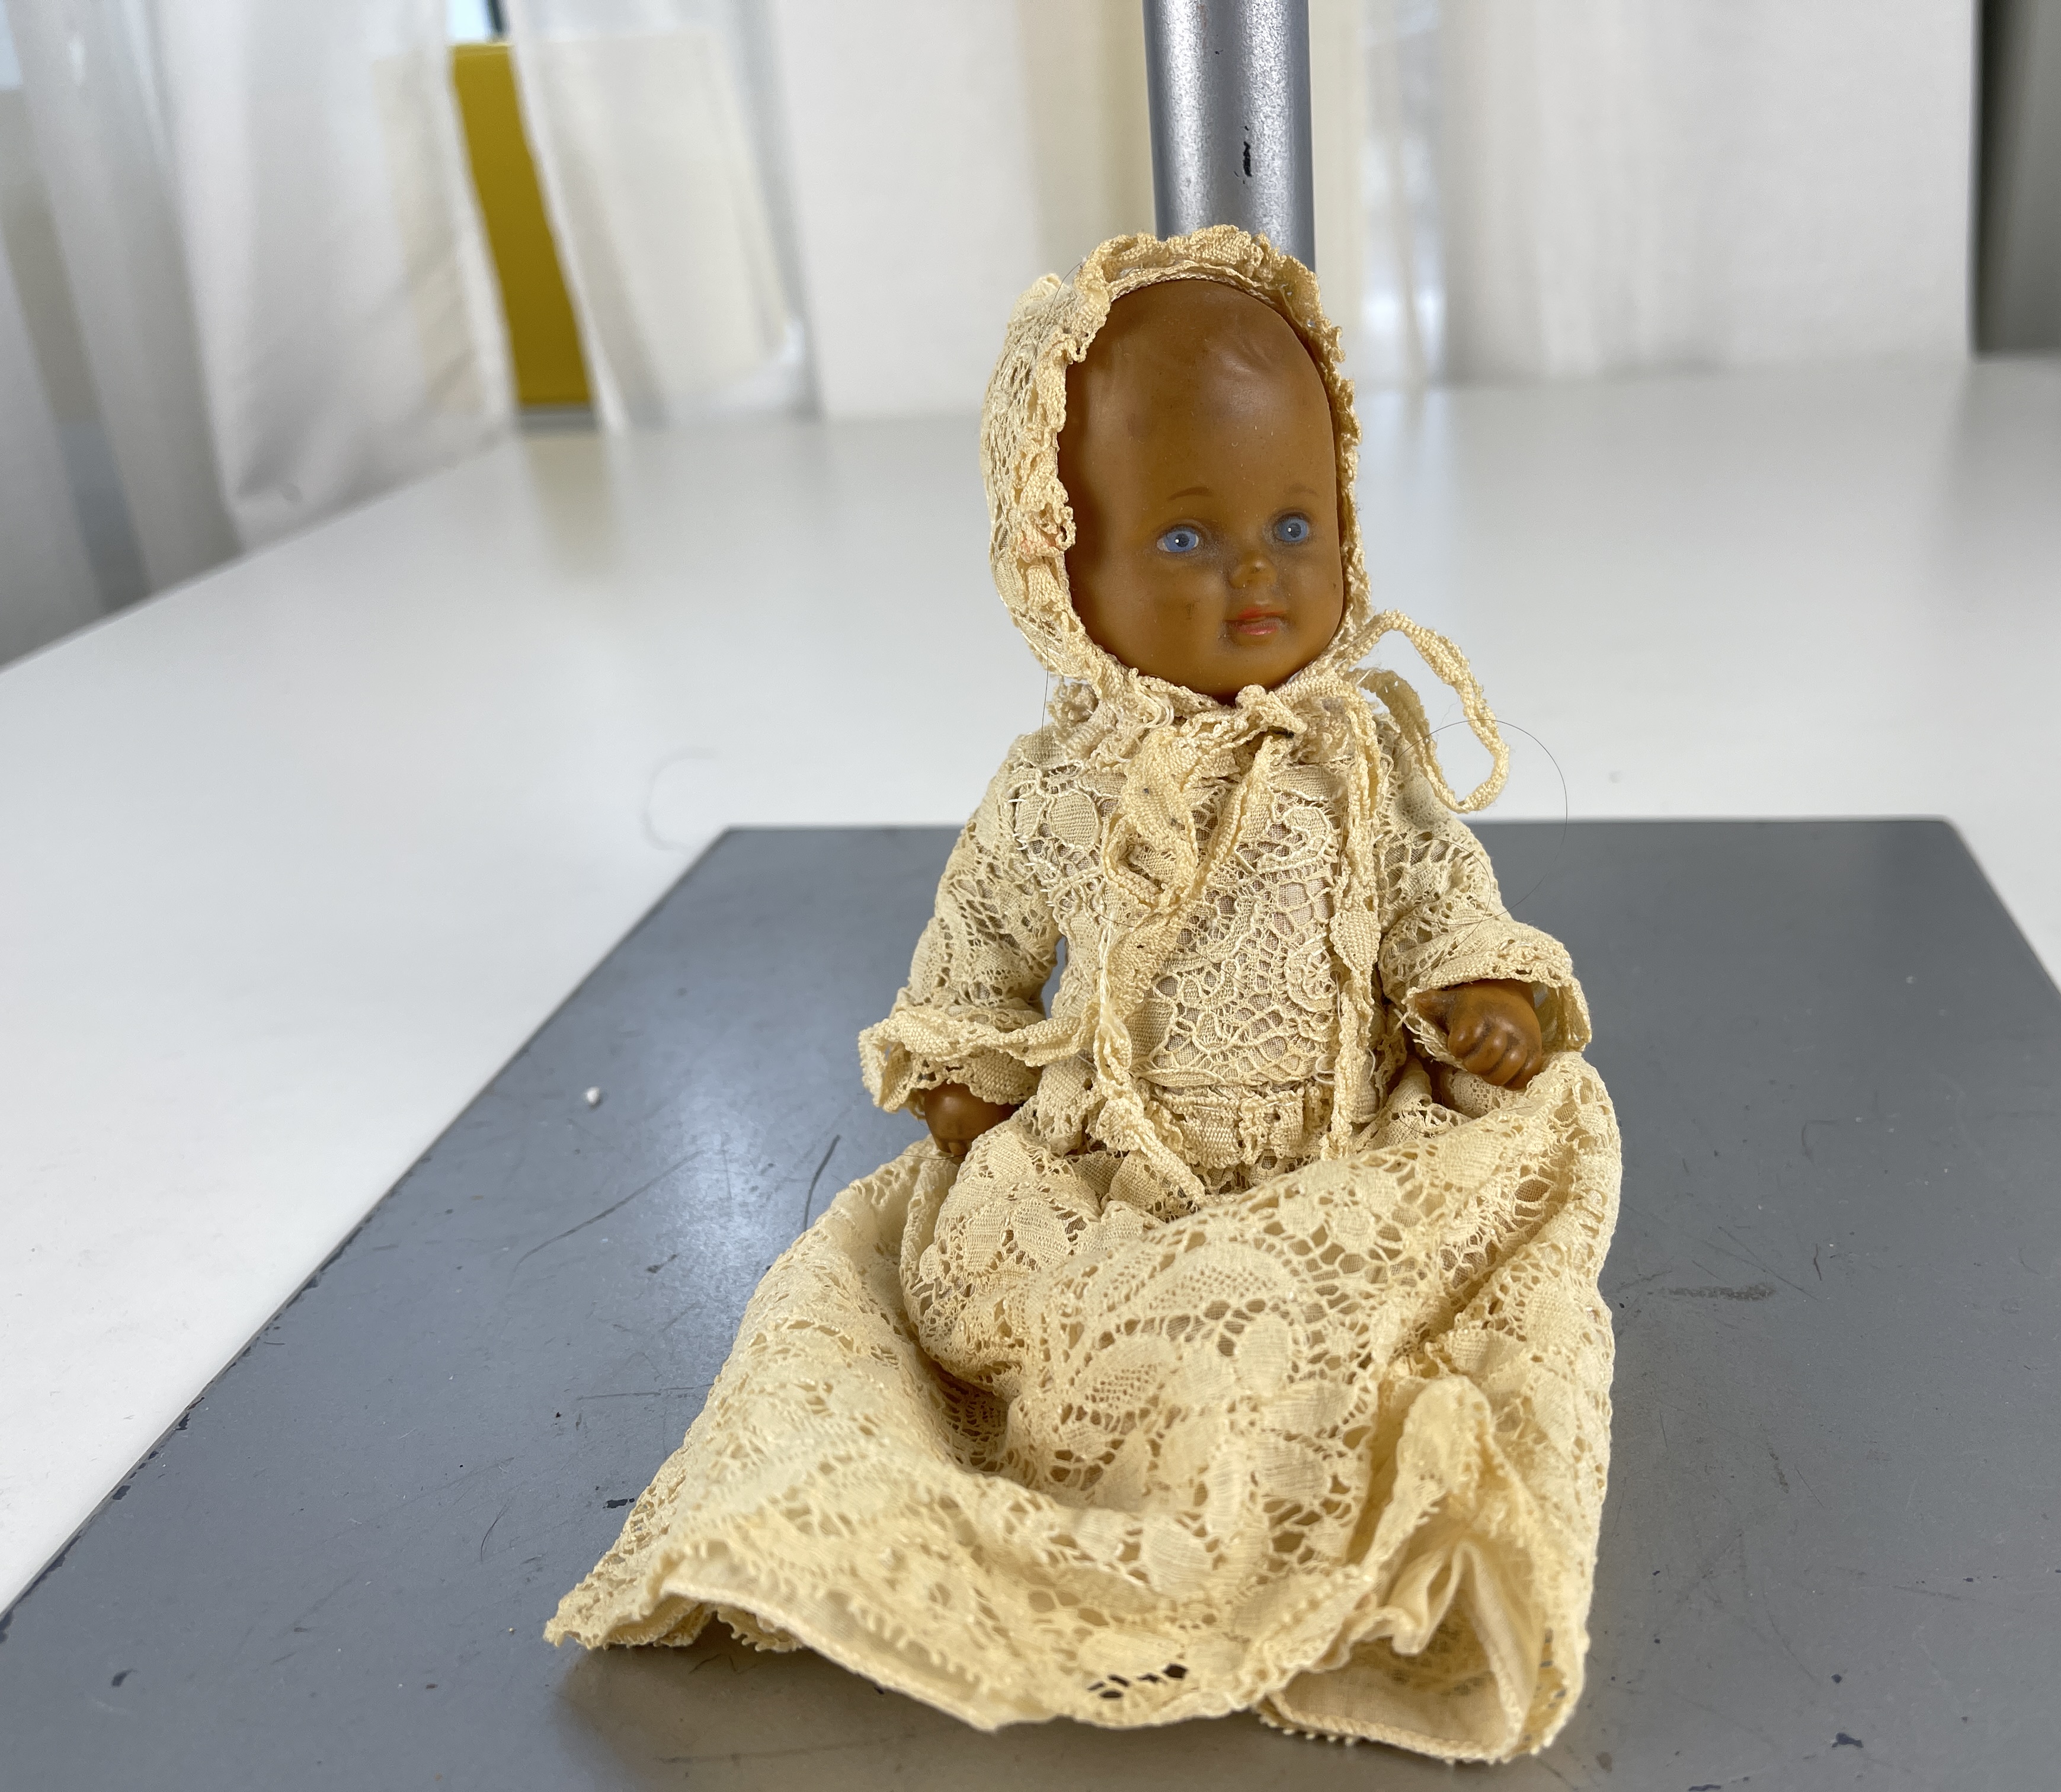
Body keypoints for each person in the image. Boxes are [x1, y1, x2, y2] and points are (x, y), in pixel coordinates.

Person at [548, 228, 1622, 1764]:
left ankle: (1317, 1480)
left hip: (1333, 1156)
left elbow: (1435, 886)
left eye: (1297, 524)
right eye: (1188, 538)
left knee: (1473, 1203)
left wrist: (1476, 984)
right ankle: (1159, 1481)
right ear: (1061, 567)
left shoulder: (1359, 755)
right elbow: (980, 940)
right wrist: (963, 1065)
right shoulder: (1064, 785)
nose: (1259, 573)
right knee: (1016, 1296)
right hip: (1121, 1170)